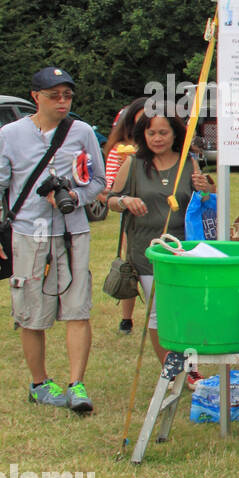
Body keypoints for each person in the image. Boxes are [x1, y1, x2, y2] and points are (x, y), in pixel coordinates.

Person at [0, 67, 106, 412]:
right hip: (28, 233)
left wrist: (74, 195)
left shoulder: (82, 132)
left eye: (67, 95)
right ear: (35, 97)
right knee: (31, 313)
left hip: (72, 231)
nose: (62, 102)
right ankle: (40, 384)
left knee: (78, 308)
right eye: (54, 95)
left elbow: (98, 181)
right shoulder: (11, 134)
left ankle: (76, 385)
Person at [107, 110, 213, 369]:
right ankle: (173, 369)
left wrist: (206, 188)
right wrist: (125, 201)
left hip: (184, 250)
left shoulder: (189, 163)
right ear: (143, 134)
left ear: (175, 134)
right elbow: (110, 200)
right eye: (151, 132)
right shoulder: (133, 164)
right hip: (147, 252)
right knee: (159, 313)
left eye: (163, 132)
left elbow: (205, 202)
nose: (157, 138)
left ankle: (190, 366)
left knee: (188, 310)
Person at [102, 98, 142, 334]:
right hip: (131, 215)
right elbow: (109, 188)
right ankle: (126, 317)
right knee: (131, 265)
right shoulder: (119, 149)